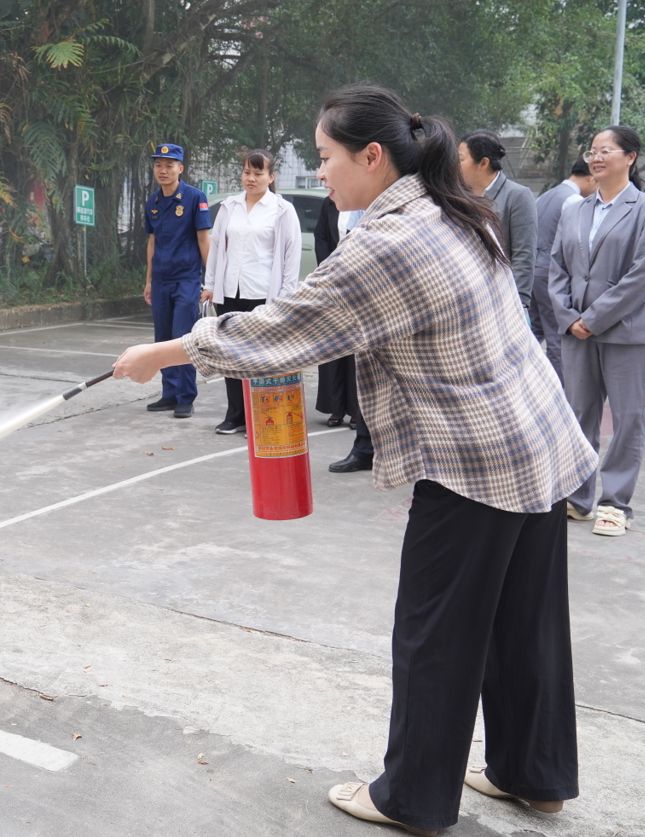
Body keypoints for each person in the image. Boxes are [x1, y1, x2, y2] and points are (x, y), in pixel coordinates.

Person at [112, 84, 594, 835]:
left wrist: (165, 352)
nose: (322, 173)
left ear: (373, 156)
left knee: (435, 632)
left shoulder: (392, 240)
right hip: (536, 439)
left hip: (474, 461)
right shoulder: (453, 208)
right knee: (522, 621)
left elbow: (286, 325)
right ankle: (534, 775)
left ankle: (412, 797)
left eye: (328, 157)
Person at [548, 126, 645, 536]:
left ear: (630, 157)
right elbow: (558, 267)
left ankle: (615, 502)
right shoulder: (573, 209)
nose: (596, 158)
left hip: (628, 331)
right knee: (579, 415)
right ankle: (578, 499)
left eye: (607, 150)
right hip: (575, 330)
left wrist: (592, 318)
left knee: (628, 418)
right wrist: (567, 317)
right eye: (593, 151)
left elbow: (642, 275)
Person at [201, 149, 301, 434]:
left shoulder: (282, 210)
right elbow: (217, 247)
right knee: (230, 354)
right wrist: (210, 285)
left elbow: (290, 255)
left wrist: (286, 296)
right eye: (247, 172)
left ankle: (261, 416)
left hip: (262, 294)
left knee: (258, 357)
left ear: (271, 177)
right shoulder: (230, 206)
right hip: (230, 290)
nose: (251, 178)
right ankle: (235, 415)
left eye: (258, 173)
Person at [142, 142, 212, 419]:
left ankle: (185, 396)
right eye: (159, 165)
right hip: (160, 280)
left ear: (180, 168)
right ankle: (169, 394)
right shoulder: (153, 202)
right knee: (162, 338)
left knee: (183, 337)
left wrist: (210, 280)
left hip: (186, 279)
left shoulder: (195, 198)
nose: (163, 170)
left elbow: (204, 239)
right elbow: (152, 242)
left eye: (169, 165)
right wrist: (148, 280)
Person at [312, 198, 376, 472]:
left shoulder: (379, 204)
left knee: (362, 360)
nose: (322, 174)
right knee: (334, 351)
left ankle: (358, 414)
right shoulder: (330, 204)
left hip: (368, 290)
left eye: (329, 159)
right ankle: (342, 415)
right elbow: (323, 240)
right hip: (336, 285)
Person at [533, 161, 597, 382]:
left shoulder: (545, 196)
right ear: (590, 177)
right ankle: (560, 392)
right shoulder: (574, 201)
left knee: (533, 333)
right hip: (550, 274)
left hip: (532, 271)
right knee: (556, 336)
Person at [459, 130, 537, 312]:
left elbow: (523, 256)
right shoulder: (462, 198)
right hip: (473, 303)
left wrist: (517, 304)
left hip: (505, 303)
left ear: (483, 163)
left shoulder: (517, 196)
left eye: (461, 159)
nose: (455, 166)